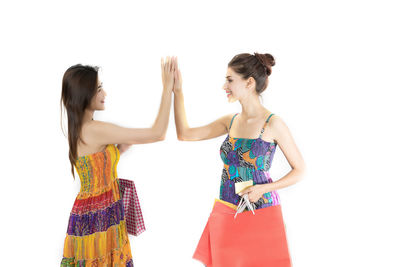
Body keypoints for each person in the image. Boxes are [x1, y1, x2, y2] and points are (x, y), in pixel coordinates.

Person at [172, 53, 306, 266]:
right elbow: (185, 134)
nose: (224, 85)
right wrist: (177, 92)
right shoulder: (230, 121)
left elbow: (300, 170)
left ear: (249, 82)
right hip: (228, 206)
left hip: (260, 209)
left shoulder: (272, 123)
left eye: (230, 79)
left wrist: (264, 189)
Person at [59, 57, 175, 266]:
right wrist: (167, 89)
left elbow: (100, 161)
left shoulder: (82, 128)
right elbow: (158, 133)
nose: (104, 94)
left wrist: (122, 145)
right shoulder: (95, 130)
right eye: (98, 89)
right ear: (84, 95)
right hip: (99, 217)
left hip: (99, 213)